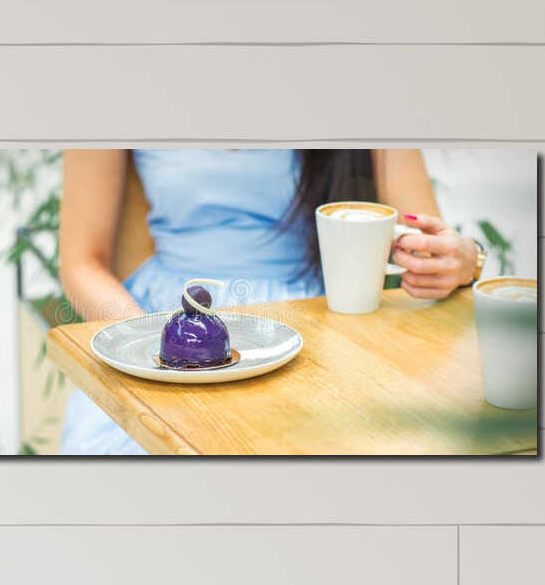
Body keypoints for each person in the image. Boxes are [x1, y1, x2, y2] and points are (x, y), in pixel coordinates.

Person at [54, 149, 483, 455]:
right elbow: (80, 265)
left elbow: (424, 240)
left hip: (315, 322)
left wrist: (460, 260)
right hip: (166, 315)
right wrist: (144, 341)